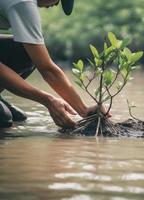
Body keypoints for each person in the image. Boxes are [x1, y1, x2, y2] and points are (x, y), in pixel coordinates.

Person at [0, 0, 110, 128]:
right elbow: (48, 70)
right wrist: (48, 100)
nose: (57, 4)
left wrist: (83, 110)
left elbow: (43, 63)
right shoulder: (22, 3)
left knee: (28, 52)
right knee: (4, 119)